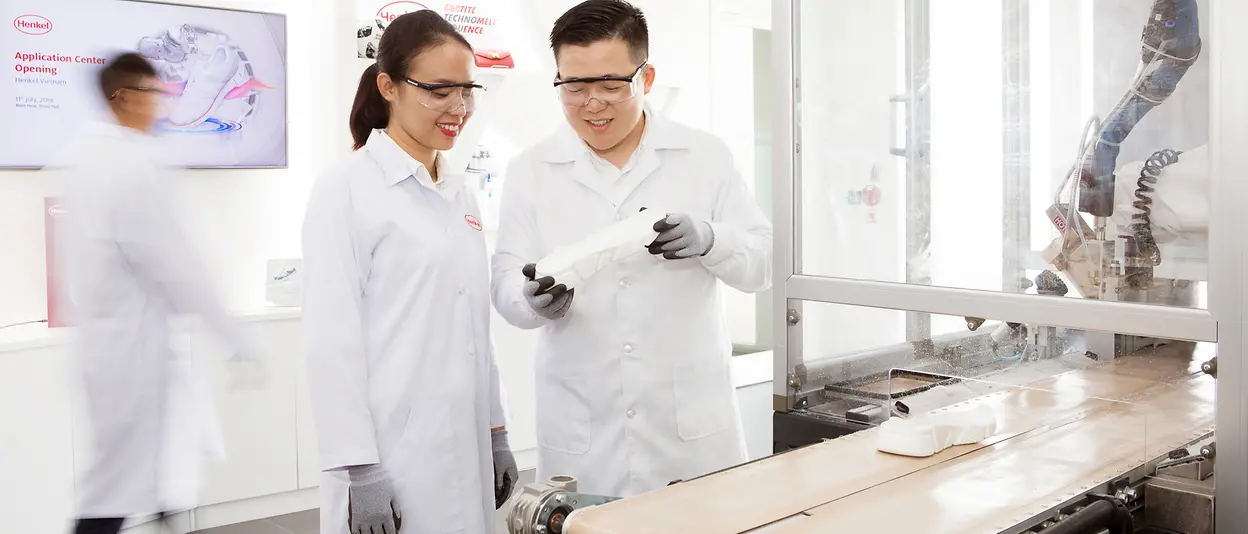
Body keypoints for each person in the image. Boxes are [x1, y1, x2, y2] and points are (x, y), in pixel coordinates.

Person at [491, 0, 773, 498]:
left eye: (610, 85)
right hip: (585, 435)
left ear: (647, 76)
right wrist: (527, 300)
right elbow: (506, 281)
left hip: (690, 436)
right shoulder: (531, 170)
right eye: (574, 86)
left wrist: (711, 240)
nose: (592, 102)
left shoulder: (704, 156)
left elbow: (762, 265)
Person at [301, 10, 516, 534]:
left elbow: (474, 330)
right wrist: (361, 468)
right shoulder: (346, 189)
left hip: (463, 443)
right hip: (392, 455)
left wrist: (495, 431)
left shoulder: (459, 191)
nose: (457, 108)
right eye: (438, 90)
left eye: (467, 90)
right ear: (388, 86)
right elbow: (332, 340)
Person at [57, 53, 264, 534]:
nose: (162, 105)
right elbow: (177, 265)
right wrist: (233, 335)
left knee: (144, 475)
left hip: (113, 346)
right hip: (129, 351)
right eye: (154, 94)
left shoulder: (90, 158)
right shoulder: (126, 166)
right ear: (124, 97)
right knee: (116, 484)